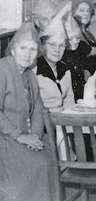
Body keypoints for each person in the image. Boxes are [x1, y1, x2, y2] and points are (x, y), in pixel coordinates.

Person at [0, 22, 55, 201]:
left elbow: (38, 111)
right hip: (5, 138)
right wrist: (20, 136)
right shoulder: (3, 70)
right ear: (13, 50)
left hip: (22, 137)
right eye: (23, 48)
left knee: (49, 156)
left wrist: (36, 137)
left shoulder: (30, 75)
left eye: (32, 49)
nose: (27, 54)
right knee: (40, 164)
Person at [35, 10, 75, 110]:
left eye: (61, 45)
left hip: (63, 121)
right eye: (52, 44)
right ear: (43, 45)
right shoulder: (35, 71)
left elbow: (69, 102)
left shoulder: (65, 69)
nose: (57, 50)